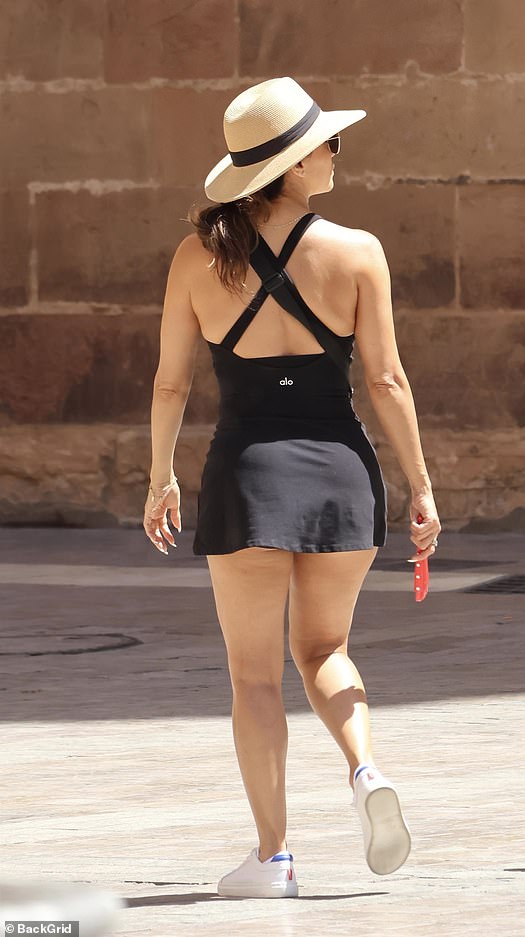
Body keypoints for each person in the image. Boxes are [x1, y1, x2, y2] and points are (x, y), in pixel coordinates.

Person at [143, 77, 441, 898]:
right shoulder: (357, 252)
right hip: (342, 476)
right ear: (295, 163)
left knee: (253, 674)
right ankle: (365, 768)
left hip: (245, 478)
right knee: (326, 652)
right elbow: (385, 380)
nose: (338, 152)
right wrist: (420, 486)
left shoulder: (197, 257)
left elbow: (171, 385)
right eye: (328, 143)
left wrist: (160, 473)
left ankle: (274, 856)